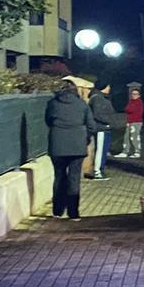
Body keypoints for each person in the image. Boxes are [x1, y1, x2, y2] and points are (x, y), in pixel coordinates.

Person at [46, 79, 97, 220]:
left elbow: (48, 120)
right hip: (77, 145)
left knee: (59, 176)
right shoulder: (82, 104)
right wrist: (86, 138)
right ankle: (73, 213)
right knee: (74, 179)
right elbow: (91, 126)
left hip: (57, 144)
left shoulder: (53, 103)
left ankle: (57, 211)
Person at [88, 79, 115, 180]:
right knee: (100, 150)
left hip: (105, 128)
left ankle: (101, 169)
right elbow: (98, 114)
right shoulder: (97, 98)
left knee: (103, 149)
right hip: (101, 128)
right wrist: (109, 121)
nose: (109, 88)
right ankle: (97, 171)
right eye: (108, 86)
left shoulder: (102, 97)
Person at [117, 87, 144, 158]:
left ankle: (137, 152)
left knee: (134, 137)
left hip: (136, 122)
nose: (134, 95)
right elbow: (127, 109)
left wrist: (129, 109)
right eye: (133, 94)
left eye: (136, 94)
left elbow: (130, 109)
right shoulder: (131, 101)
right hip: (129, 121)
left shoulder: (139, 102)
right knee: (127, 137)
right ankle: (125, 151)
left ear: (139, 95)